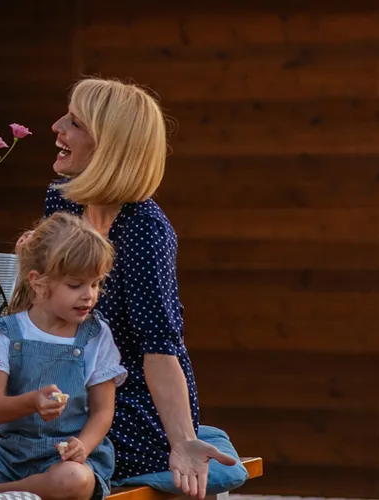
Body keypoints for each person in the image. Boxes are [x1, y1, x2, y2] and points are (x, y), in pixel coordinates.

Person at [40, 78, 244, 499]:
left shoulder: (144, 230)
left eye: (74, 123)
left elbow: (160, 348)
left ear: (109, 145)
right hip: (67, 376)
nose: (57, 127)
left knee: (43, 438)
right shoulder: (61, 201)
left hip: (129, 396)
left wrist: (183, 441)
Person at [0, 213, 127, 500]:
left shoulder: (96, 336)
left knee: (74, 480)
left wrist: (83, 446)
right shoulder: (8, 333)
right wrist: (32, 402)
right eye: (75, 285)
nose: (89, 296)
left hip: (66, 458)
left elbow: (102, 411)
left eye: (95, 284)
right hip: (11, 456)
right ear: (38, 282)